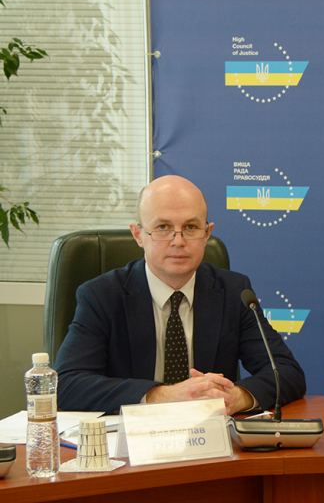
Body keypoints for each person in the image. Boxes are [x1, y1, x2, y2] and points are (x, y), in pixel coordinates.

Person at [55, 175, 306, 415]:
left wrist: (236, 398)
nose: (178, 241)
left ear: (207, 234)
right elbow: (67, 383)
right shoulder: (101, 296)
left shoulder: (233, 292)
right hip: (131, 436)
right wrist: (163, 395)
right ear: (138, 234)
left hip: (209, 433)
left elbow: (286, 372)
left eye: (191, 227)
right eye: (163, 227)